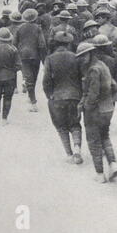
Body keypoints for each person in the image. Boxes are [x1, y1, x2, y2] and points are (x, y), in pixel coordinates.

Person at [76, 42, 117, 183]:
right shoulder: (103, 65)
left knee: (94, 142)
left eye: (83, 56)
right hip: (108, 108)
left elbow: (93, 94)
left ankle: (100, 174)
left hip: (96, 110)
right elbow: (113, 85)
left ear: (90, 53)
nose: (82, 59)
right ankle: (113, 164)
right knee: (105, 137)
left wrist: (86, 108)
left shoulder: (93, 70)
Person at [43, 31, 83, 165]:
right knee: (75, 124)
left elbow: (46, 80)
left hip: (57, 97)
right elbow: (81, 78)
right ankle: (77, 147)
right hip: (74, 96)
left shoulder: (50, 59)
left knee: (61, 127)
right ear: (69, 43)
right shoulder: (76, 57)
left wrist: (49, 95)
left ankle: (69, 154)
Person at [13, 8, 47, 112]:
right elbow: (42, 44)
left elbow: (14, 43)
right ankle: (33, 101)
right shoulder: (37, 28)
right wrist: (44, 59)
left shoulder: (19, 28)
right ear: (35, 18)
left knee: (28, 78)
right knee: (34, 77)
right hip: (35, 55)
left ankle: (31, 99)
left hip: (23, 56)